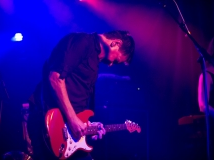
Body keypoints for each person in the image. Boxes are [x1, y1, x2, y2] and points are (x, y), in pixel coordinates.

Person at [27, 30, 135, 160]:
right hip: (49, 125)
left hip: (68, 133)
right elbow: (55, 78)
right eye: (115, 60)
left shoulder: (95, 61)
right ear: (115, 43)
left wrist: (87, 126)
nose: (111, 64)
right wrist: (72, 119)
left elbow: (76, 99)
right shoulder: (82, 42)